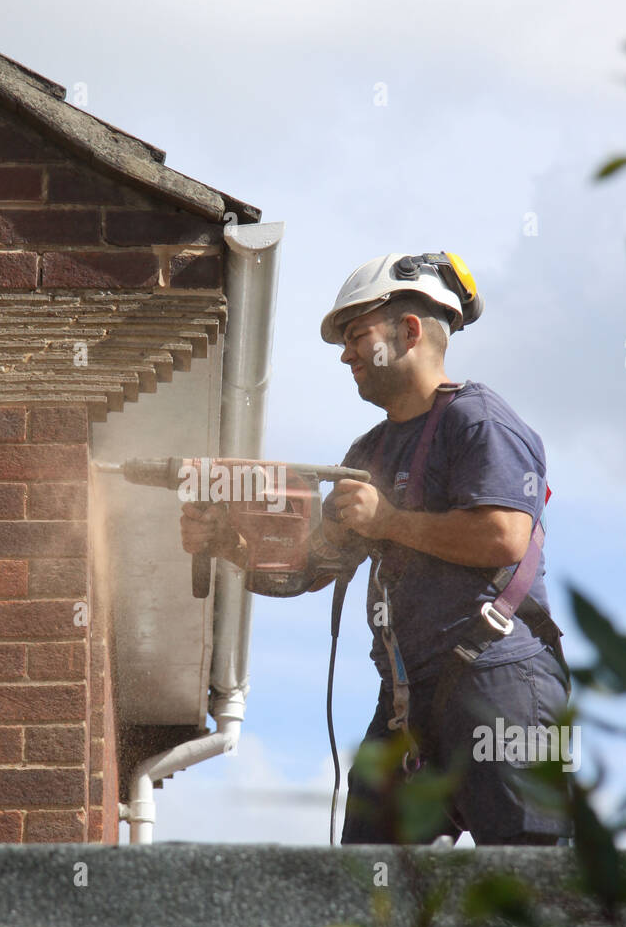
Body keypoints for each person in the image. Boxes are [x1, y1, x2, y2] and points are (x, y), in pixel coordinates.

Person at [180, 252, 574, 846]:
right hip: (408, 700)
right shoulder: (369, 451)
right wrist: (230, 545)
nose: (345, 355)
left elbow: (503, 536)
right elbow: (311, 567)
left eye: (357, 335)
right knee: (366, 891)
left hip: (502, 680)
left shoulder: (478, 421)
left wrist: (388, 520)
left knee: (533, 883)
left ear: (409, 331)